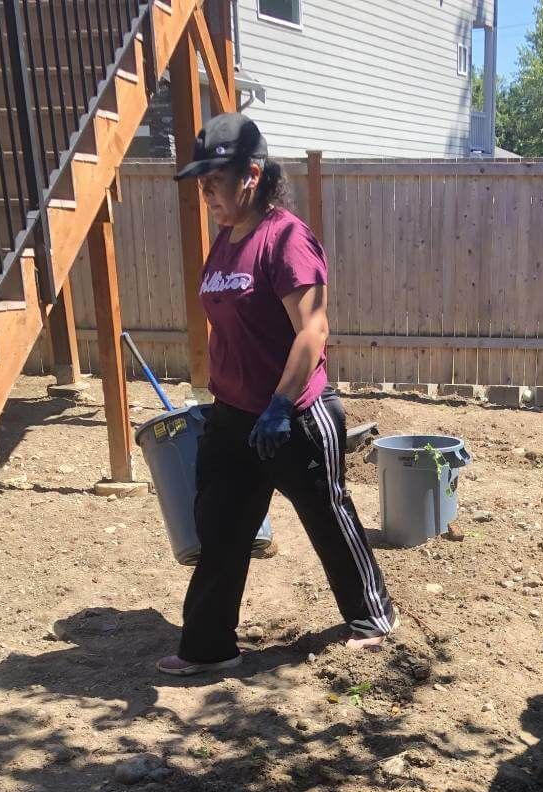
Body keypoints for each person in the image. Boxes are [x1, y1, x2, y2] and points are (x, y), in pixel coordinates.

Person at [157, 113, 397, 676]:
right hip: (233, 416)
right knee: (219, 528)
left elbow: (313, 331)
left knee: (327, 514)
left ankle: (372, 615)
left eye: (216, 177)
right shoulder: (225, 240)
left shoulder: (286, 239)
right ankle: (209, 647)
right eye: (201, 179)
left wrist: (280, 406)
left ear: (252, 175)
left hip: (294, 415)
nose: (206, 189)